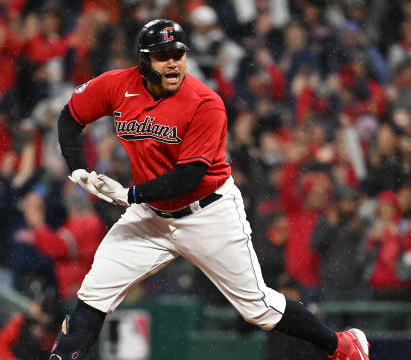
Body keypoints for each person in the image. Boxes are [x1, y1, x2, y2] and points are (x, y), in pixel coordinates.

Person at [49, 19, 370, 360]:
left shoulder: (205, 102)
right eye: (162, 56)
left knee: (257, 308)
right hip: (150, 215)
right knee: (95, 292)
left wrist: (128, 196)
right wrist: (78, 170)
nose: (173, 62)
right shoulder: (117, 84)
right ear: (144, 60)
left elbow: (188, 177)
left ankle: (343, 345)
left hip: (207, 212)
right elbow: (70, 117)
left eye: (178, 54)